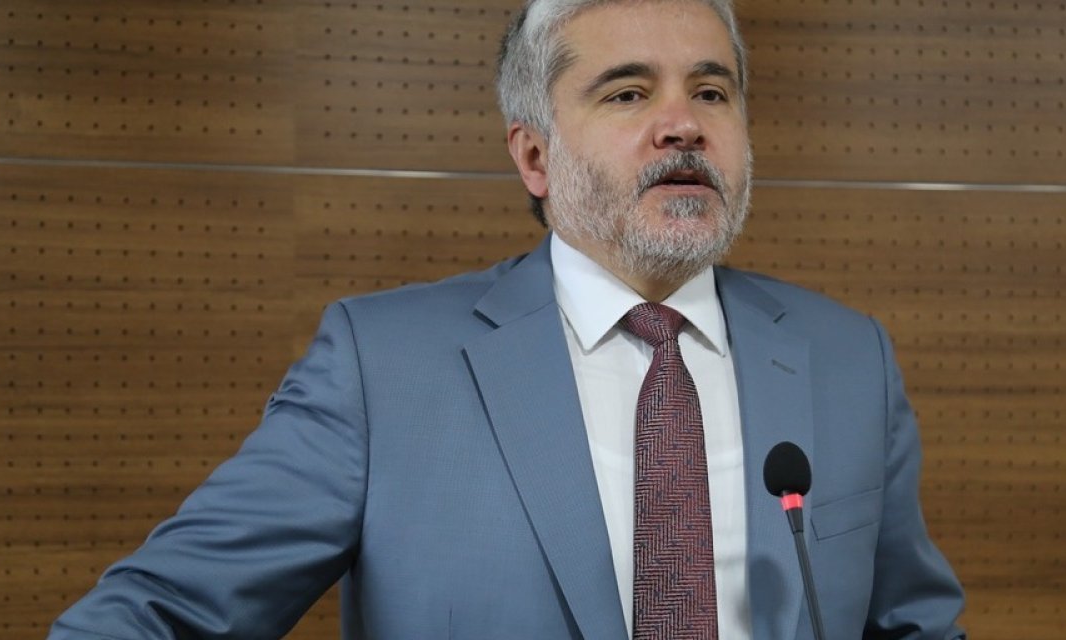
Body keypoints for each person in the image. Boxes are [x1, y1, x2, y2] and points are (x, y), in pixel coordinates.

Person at [49, 0, 967, 638]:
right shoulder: (383, 368)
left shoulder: (847, 358)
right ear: (534, 156)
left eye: (712, 92)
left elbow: (913, 625)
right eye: (628, 93)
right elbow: (162, 614)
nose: (683, 124)